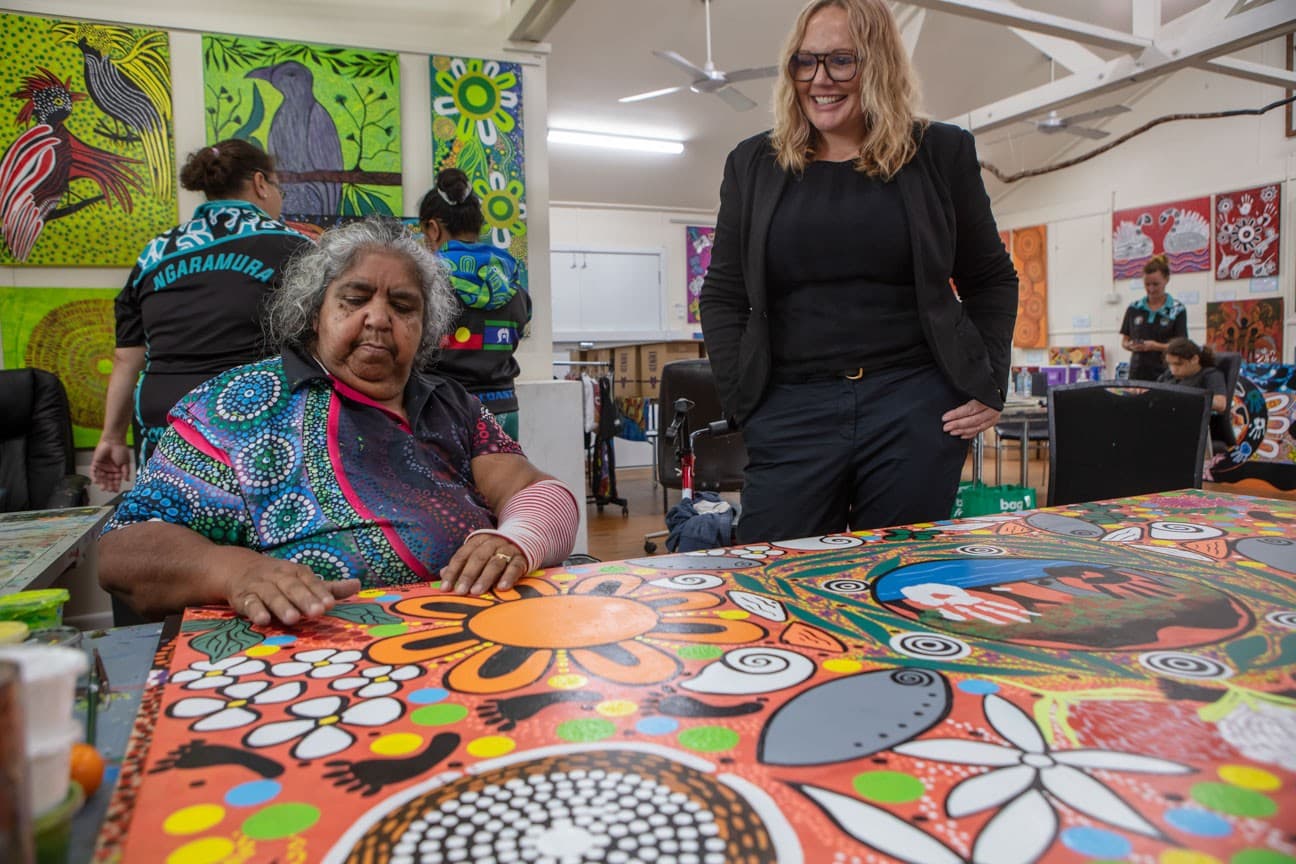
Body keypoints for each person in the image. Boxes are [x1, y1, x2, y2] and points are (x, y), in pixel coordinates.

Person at [98, 218, 579, 627]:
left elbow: (537, 492)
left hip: (468, 646)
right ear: (315, 313)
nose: (379, 318)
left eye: (403, 306)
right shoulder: (235, 407)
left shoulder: (448, 403)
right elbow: (124, 552)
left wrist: (514, 539)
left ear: (424, 327)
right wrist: (234, 570)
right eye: (355, 297)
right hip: (311, 675)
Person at [699, 0, 1018, 543]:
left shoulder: (939, 152)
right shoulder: (753, 164)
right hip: (791, 407)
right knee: (777, 574)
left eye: (841, 61)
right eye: (806, 62)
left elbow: (989, 277)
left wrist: (988, 384)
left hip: (914, 407)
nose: (820, 80)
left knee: (895, 581)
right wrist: (745, 403)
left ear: (879, 64)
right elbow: (724, 294)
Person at [92, 139, 312, 492]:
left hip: (164, 420)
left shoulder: (155, 252)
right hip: (252, 417)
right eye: (277, 187)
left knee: (167, 526)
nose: (279, 197)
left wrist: (112, 437)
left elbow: (126, 357)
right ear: (260, 183)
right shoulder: (297, 249)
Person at [419, 168, 530, 440]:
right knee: (502, 482)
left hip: (444, 408)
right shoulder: (513, 283)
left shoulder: (426, 282)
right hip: (504, 410)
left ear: (433, 229)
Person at [1120, 254, 1187, 382]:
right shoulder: (1134, 308)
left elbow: (1181, 346)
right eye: (1147, 284)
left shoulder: (1177, 309)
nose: (1151, 289)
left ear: (1166, 279)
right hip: (1137, 373)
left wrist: (1155, 346)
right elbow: (1124, 341)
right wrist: (1132, 345)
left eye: (1156, 284)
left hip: (1166, 372)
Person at [1159, 337, 1228, 413]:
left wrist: (1187, 398)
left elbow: (1221, 404)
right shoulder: (1168, 375)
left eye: (1178, 364)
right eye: (1170, 364)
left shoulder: (1210, 375)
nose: (1173, 370)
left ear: (1194, 359)